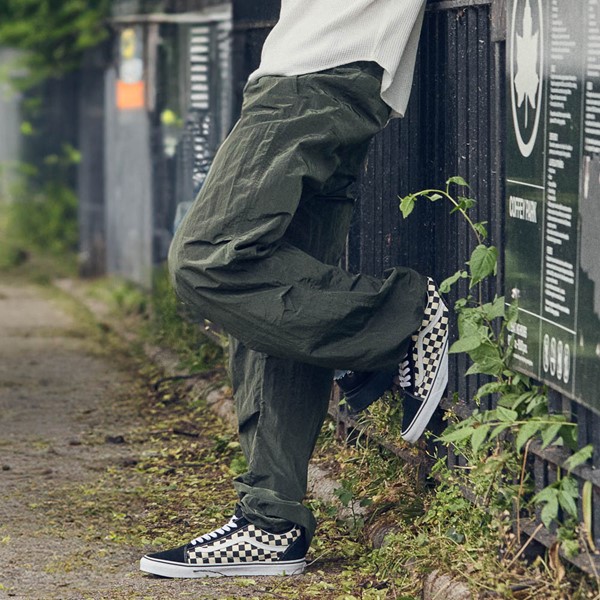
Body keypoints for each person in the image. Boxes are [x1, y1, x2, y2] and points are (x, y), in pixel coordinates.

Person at [140, 0, 449, 579]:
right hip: (330, 68)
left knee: (209, 261)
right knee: (279, 296)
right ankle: (271, 519)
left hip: (315, 70)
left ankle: (401, 319)